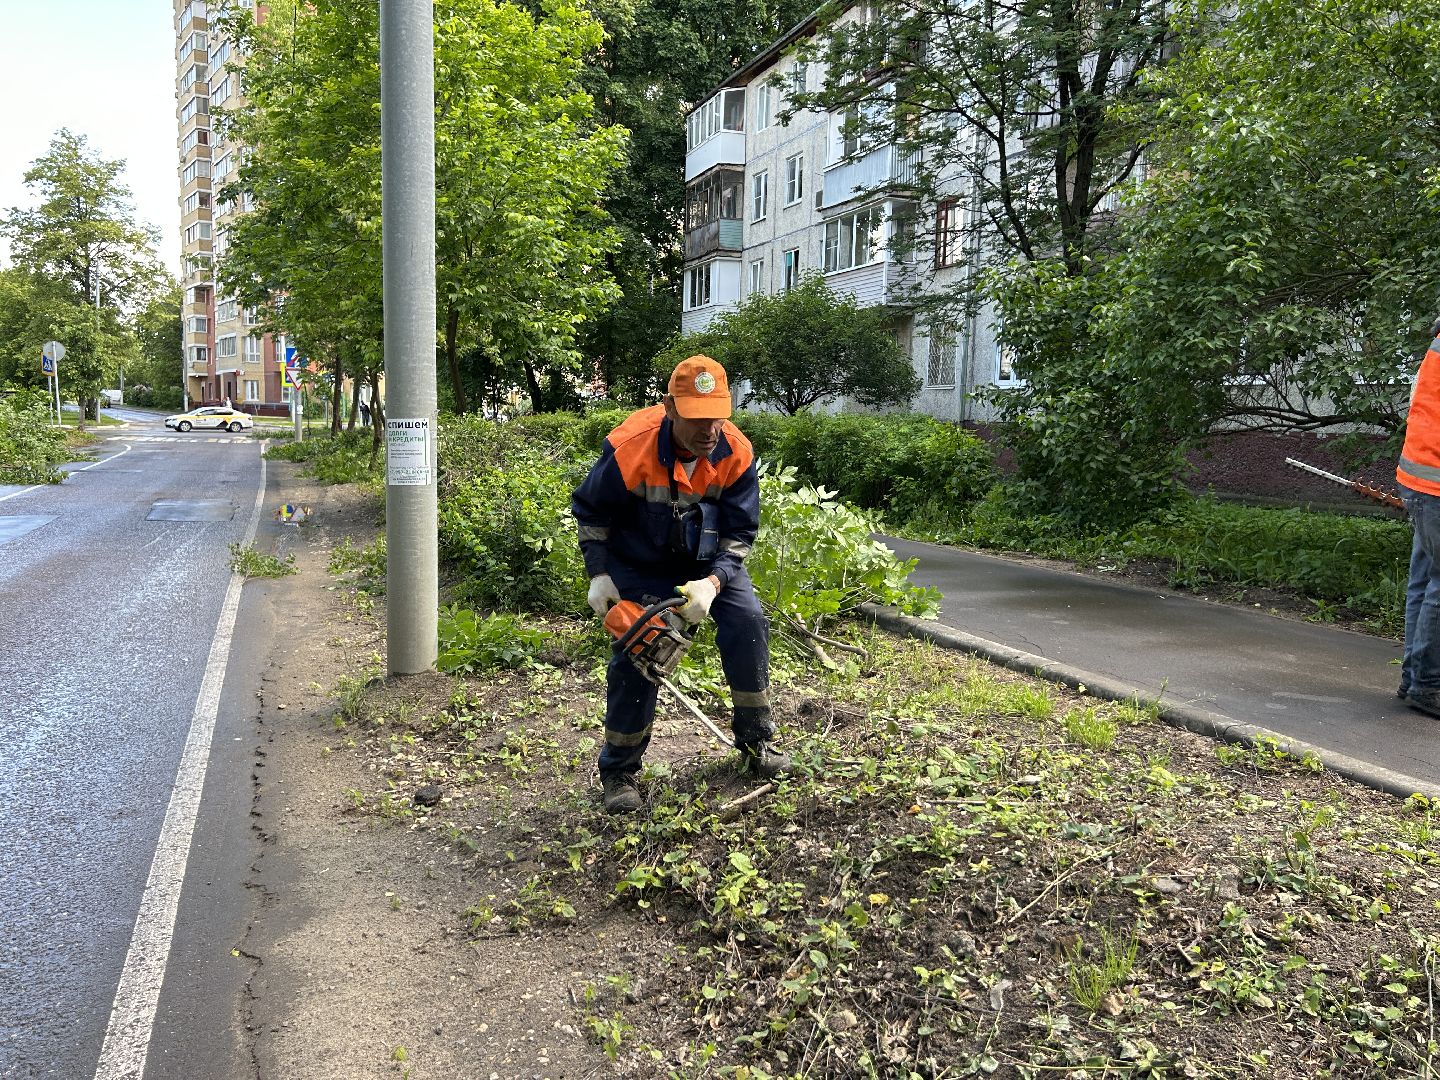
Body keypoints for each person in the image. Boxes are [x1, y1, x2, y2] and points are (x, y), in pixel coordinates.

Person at [572, 356, 788, 813]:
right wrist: (599, 574)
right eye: (695, 418)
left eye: (717, 417)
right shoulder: (630, 446)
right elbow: (592, 513)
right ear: (669, 407)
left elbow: (740, 533)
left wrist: (712, 583)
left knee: (748, 621)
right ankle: (619, 771)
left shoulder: (737, 452)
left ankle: (756, 745)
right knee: (639, 646)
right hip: (640, 563)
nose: (709, 430)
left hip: (709, 563)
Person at [1397, 315, 1440, 716]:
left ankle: (1413, 679)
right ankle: (1427, 685)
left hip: (1421, 476)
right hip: (1435, 483)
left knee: (1424, 581)